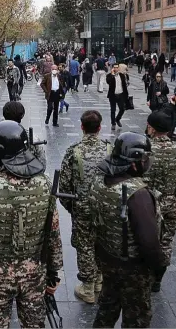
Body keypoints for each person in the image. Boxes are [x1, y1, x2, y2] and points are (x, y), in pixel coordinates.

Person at [0, 121, 63, 328]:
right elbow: (53, 233)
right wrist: (55, 271)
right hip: (34, 272)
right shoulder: (44, 184)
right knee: (34, 324)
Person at [80, 132, 165, 328]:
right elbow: (149, 242)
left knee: (107, 308)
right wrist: (158, 267)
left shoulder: (100, 181)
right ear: (134, 162)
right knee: (136, 318)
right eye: (144, 159)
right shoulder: (138, 194)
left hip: (107, 259)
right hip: (133, 268)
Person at [59, 110, 108, 303]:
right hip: (105, 206)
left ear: (82, 127)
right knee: (103, 243)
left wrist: (72, 206)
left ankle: (88, 287)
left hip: (82, 207)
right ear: (100, 127)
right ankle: (99, 281)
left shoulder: (74, 151)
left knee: (85, 245)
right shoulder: (110, 149)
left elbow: (63, 185)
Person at [144, 111, 176, 292]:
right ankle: (158, 278)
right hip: (170, 203)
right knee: (165, 242)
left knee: (144, 241)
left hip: (146, 203)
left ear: (152, 127)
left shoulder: (144, 149)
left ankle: (144, 277)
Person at [106, 63, 129, 131]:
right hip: (113, 95)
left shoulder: (121, 75)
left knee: (122, 109)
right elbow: (108, 82)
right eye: (114, 67)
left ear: (118, 68)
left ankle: (117, 119)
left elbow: (124, 85)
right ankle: (113, 124)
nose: (116, 69)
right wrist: (112, 74)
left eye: (117, 67)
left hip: (121, 94)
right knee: (113, 110)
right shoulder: (109, 76)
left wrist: (126, 95)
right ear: (112, 68)